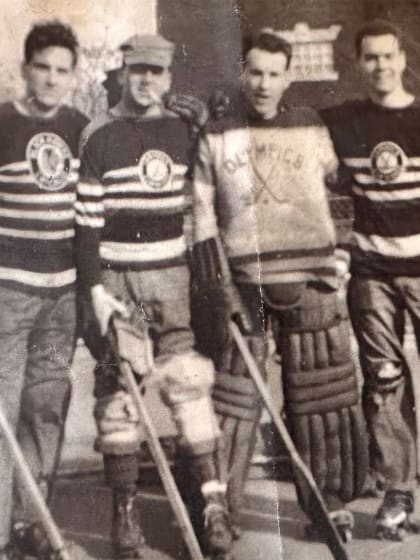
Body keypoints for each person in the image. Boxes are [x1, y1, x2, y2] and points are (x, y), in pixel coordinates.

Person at [191, 28, 369, 542]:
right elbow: (201, 217)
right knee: (233, 400)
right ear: (243, 72)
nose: (263, 83)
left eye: (274, 73)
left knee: (321, 394)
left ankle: (329, 502)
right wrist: (216, 285)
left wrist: (338, 256)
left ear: (288, 76)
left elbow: (346, 191)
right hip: (243, 283)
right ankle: (220, 508)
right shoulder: (217, 133)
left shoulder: (311, 126)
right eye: (255, 72)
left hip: (310, 279)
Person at [75, 34, 233, 560]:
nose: (146, 81)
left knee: (188, 382)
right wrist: (95, 289)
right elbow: (88, 226)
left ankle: (212, 506)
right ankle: (124, 514)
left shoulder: (184, 132)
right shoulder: (100, 136)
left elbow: (206, 203)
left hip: (172, 277)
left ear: (168, 78)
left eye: (156, 72)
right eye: (137, 71)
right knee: (119, 395)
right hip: (121, 282)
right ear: (123, 72)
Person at [321, 19, 420, 539]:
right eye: (371, 58)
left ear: (403, 59)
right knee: (383, 381)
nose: (381, 66)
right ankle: (398, 491)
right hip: (372, 273)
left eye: (388, 56)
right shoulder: (344, 121)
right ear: (359, 64)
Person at [0, 20, 88, 559]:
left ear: (74, 77)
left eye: (62, 70)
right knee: (3, 409)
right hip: (9, 294)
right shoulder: (1, 123)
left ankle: (32, 520)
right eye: (43, 68)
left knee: (45, 406)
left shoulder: (82, 128)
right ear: (25, 70)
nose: (52, 80)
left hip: (61, 299)